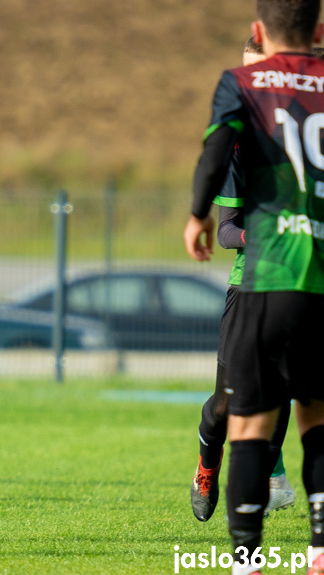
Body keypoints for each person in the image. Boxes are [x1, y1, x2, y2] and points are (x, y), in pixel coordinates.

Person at [183, 1, 324, 573]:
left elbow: (211, 158)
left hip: (270, 286)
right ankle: (205, 461)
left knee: (257, 419)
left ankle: (248, 561)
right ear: (317, 31)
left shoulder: (242, 91)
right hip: (280, 278)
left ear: (263, 35)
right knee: (236, 410)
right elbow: (231, 228)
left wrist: (194, 216)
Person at [190, 37, 294, 524]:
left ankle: (274, 478)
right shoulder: (238, 142)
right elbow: (228, 229)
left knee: (289, 386)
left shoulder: (305, 133)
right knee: (226, 404)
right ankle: (208, 464)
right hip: (247, 285)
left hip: (299, 281)